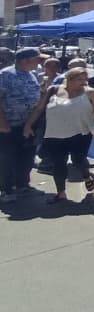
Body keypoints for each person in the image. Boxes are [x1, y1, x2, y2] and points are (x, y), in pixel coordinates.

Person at [24, 67, 94, 203]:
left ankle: (86, 175)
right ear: (69, 80)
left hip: (80, 133)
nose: (83, 82)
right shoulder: (53, 90)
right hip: (55, 133)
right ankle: (61, 193)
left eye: (85, 79)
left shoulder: (90, 93)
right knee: (58, 163)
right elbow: (39, 109)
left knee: (78, 159)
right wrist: (29, 125)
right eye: (79, 80)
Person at [0, 48, 46, 203]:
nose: (39, 63)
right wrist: (2, 122)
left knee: (26, 157)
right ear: (25, 60)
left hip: (28, 125)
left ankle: (22, 185)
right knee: (8, 158)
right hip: (9, 125)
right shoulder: (5, 75)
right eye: (37, 60)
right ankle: (6, 189)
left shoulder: (31, 75)